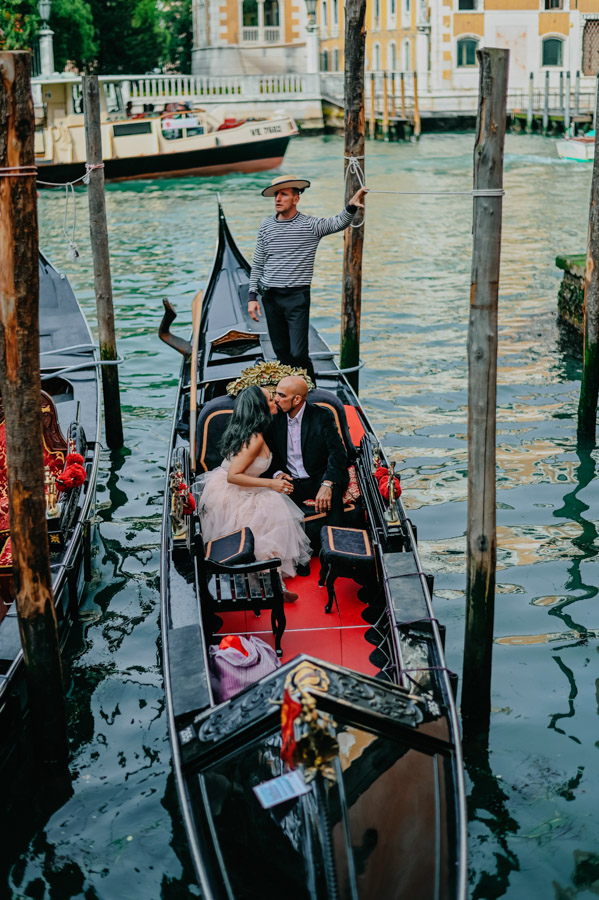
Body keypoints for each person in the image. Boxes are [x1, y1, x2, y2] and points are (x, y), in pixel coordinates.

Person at [248, 174, 368, 381]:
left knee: (298, 353)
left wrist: (350, 206)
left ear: (296, 199)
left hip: (296, 297)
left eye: (284, 194)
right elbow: (258, 262)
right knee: (281, 352)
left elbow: (337, 223)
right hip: (269, 296)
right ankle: (288, 390)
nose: (278, 198)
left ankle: (309, 388)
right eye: (276, 194)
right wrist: (251, 296)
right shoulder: (266, 225)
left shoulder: (311, 225)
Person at [197, 385, 311, 594]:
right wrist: (272, 484)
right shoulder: (254, 438)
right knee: (268, 508)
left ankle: (268, 577)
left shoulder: (254, 432)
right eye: (269, 399)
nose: (275, 401)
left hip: (239, 486)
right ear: (260, 408)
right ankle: (270, 579)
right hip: (231, 490)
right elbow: (234, 476)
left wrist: (277, 476)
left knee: (271, 506)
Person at [265, 375, 348, 528]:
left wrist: (327, 484)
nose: (275, 399)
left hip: (320, 477)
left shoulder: (322, 416)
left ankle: (337, 540)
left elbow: (338, 453)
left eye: (281, 395)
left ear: (296, 400)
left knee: (333, 493)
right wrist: (277, 473)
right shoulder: (273, 418)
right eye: (276, 393)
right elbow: (269, 453)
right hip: (291, 480)